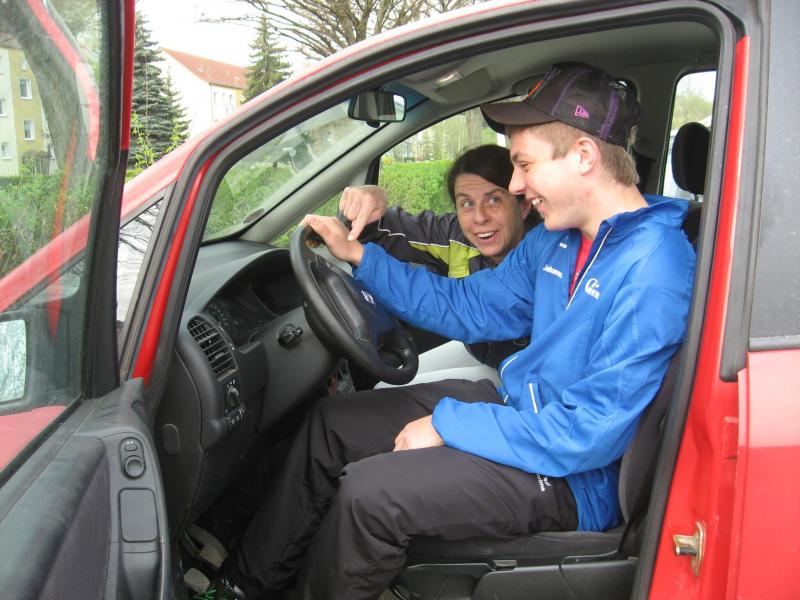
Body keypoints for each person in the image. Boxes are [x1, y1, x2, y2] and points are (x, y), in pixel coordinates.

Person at [211, 61, 695, 600]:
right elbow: (467, 304)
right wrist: (360, 257)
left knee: (372, 495)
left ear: (583, 156)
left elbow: (587, 433)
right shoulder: (557, 239)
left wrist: (451, 424)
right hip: (519, 410)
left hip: (572, 476)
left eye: (524, 164)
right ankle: (241, 587)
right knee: (332, 424)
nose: (516, 185)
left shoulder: (654, 269)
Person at [341, 145, 539, 384]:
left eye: (494, 200)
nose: (479, 217)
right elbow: (388, 231)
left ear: (523, 206)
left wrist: (358, 255)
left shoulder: (546, 255)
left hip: (528, 375)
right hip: (485, 354)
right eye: (467, 204)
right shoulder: (455, 235)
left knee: (384, 391)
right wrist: (369, 201)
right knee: (387, 382)